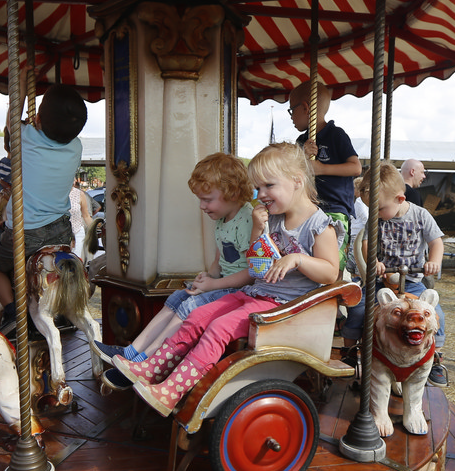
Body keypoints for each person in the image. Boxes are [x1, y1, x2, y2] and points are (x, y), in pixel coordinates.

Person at [112, 142, 341, 414]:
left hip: (282, 306)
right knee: (197, 315)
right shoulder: (273, 219)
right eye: (258, 188)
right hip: (255, 293)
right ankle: (153, 368)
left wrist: (298, 259)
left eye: (268, 186)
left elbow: (331, 273)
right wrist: (257, 229)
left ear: (297, 181)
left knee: (219, 327)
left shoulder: (319, 225)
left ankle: (173, 391)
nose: (261, 195)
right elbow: (255, 265)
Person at [94, 153, 257, 377]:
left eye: (207, 200)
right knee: (177, 298)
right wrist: (208, 277)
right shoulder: (222, 219)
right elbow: (219, 260)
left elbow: (251, 273)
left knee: (190, 306)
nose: (202, 206)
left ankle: (147, 360)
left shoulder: (247, 220)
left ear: (233, 193)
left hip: (240, 291)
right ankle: (130, 352)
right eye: (200, 200)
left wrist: (213, 285)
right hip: (223, 285)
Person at [0, 84, 87, 330]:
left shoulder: (26, 139)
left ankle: (12, 312)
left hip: (25, 232)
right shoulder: (76, 147)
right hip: (61, 231)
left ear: (38, 118)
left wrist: (22, 82)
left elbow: (11, 120)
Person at [342, 163, 449, 386]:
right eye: (371, 209)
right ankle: (350, 352)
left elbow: (436, 242)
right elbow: (365, 243)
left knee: (436, 313)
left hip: (412, 282)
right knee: (358, 310)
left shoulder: (421, 215)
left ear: (400, 199)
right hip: (383, 282)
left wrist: (434, 261)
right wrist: (374, 262)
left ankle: (435, 358)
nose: (375, 214)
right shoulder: (376, 219)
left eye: (379, 209)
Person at [289, 77, 361, 267]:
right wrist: (302, 156)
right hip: (309, 208)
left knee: (333, 259)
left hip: (334, 208)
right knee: (310, 256)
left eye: (292, 110)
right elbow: (292, 173)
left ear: (306, 108)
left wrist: (322, 168)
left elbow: (355, 167)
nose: (291, 117)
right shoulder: (301, 141)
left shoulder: (336, 135)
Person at [69, 177, 93, 259]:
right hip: (61, 233)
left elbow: (86, 216)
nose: (74, 181)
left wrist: (93, 230)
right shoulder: (57, 194)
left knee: (76, 259)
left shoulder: (80, 194)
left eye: (74, 179)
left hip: (77, 231)